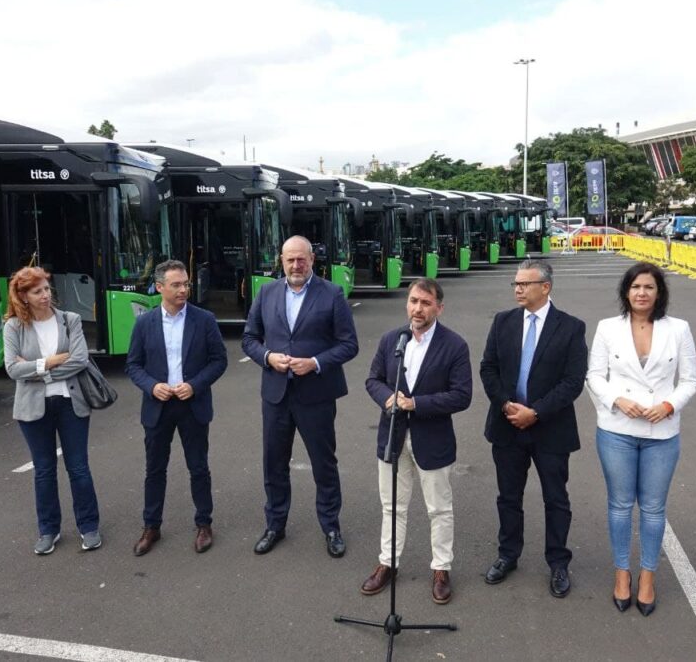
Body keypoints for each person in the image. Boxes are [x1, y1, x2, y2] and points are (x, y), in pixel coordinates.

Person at [586, 262, 696, 616]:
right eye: (635, 287)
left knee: (653, 509)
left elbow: (690, 380)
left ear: (659, 293)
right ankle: (622, 574)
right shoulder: (607, 328)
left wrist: (668, 405)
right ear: (626, 292)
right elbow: (594, 375)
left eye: (649, 287)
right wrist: (617, 400)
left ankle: (647, 577)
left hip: (662, 433)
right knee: (620, 506)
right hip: (617, 429)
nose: (641, 293)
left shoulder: (678, 329)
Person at [242, 236, 359, 557]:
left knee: (324, 464)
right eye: (290, 260)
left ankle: (331, 526)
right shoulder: (266, 292)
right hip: (276, 395)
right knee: (274, 463)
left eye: (302, 260)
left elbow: (349, 344)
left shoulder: (332, 294)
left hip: (317, 395)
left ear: (312, 260)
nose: (296, 265)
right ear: (281, 260)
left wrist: (316, 362)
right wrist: (268, 357)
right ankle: (275, 524)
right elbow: (249, 338)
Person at [479, 260, 587, 597]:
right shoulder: (503, 322)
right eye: (515, 284)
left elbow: (572, 382)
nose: (518, 289)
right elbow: (488, 368)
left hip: (550, 429)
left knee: (556, 499)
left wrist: (536, 412)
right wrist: (505, 404)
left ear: (546, 287)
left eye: (525, 284)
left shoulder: (571, 327)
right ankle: (507, 555)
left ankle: (558, 563)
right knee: (508, 497)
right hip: (508, 425)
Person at [361, 278, 472, 604]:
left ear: (439, 307)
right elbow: (373, 379)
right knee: (392, 506)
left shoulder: (454, 345)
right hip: (392, 437)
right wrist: (387, 397)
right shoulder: (392, 340)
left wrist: (417, 404)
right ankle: (388, 564)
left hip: (433, 439)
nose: (417, 308)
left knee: (439, 509)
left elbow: (462, 395)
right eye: (413, 301)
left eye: (425, 303)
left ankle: (441, 568)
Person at [126, 260, 228, 557]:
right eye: (177, 285)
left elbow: (219, 361)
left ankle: (204, 524)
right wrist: (151, 385)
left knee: (198, 468)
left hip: (192, 405)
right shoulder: (145, 323)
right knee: (154, 469)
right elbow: (133, 364)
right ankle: (151, 526)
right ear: (159, 288)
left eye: (186, 283)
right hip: (157, 406)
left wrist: (195, 385)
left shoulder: (204, 319)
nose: (184, 289)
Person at [3, 266, 101, 555]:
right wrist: (51, 362)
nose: (45, 295)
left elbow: (80, 360)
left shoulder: (69, 320)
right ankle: (48, 530)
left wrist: (36, 369)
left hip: (71, 403)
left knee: (79, 468)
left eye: (46, 289)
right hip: (33, 409)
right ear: (23, 296)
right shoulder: (14, 327)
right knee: (44, 471)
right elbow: (12, 368)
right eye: (37, 291)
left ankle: (89, 526)